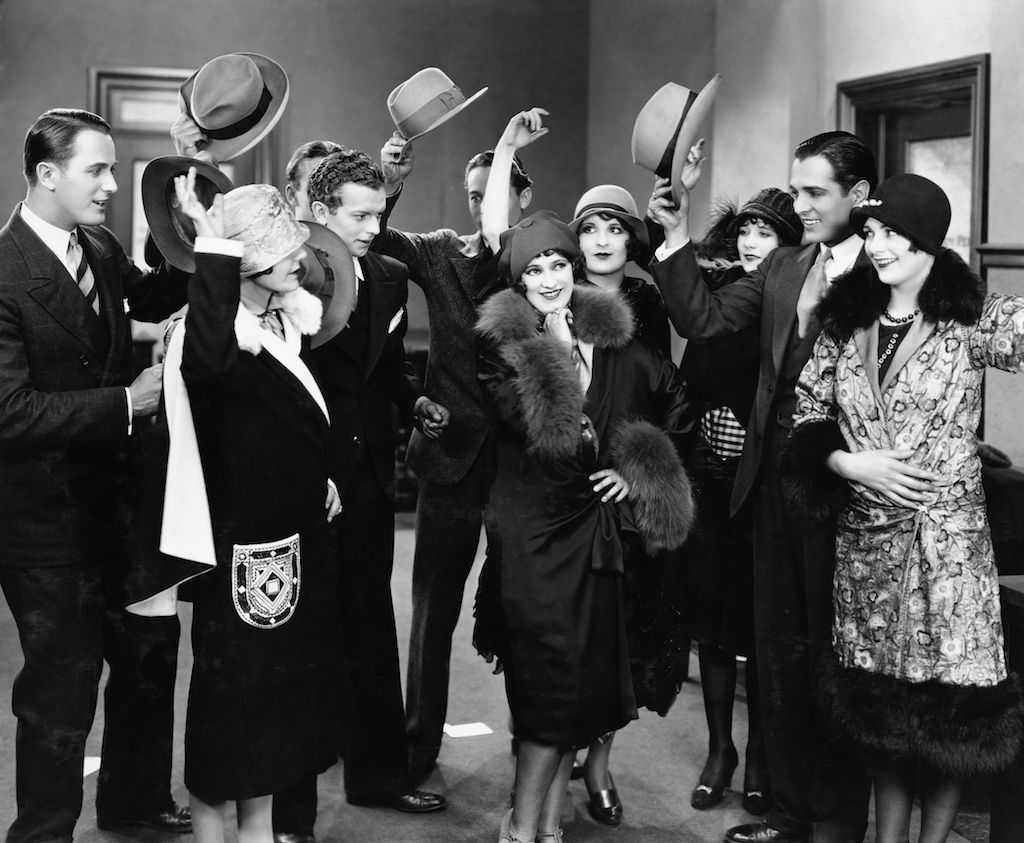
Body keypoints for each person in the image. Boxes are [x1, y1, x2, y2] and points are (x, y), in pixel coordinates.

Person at [647, 131, 876, 843]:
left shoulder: (893, 266)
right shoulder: (783, 266)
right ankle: (788, 814)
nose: (798, 205)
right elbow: (702, 318)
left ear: (859, 197)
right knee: (777, 656)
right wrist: (677, 231)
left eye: (815, 193)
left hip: (850, 497)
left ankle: (836, 825)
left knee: (836, 663)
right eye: (796, 189)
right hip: (770, 491)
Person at [781, 173, 1024, 843]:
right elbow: (807, 411)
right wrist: (844, 461)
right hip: (867, 551)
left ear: (929, 241)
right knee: (880, 718)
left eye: (892, 233)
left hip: (949, 558)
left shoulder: (973, 317)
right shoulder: (845, 317)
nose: (878, 246)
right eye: (872, 232)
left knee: (952, 724)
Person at [477, 109, 695, 843]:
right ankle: (523, 823)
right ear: (516, 277)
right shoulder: (506, 350)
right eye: (534, 268)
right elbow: (554, 436)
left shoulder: (626, 343)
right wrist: (562, 348)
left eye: (559, 265)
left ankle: (540, 826)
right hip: (532, 539)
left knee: (578, 692)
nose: (548, 278)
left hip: (597, 541)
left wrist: (637, 476)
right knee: (543, 688)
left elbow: (669, 410)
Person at [0, 108, 191, 841]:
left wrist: (183, 198)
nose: (112, 184)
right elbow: (10, 413)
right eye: (98, 170)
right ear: (48, 174)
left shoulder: (103, 248)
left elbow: (159, 297)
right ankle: (43, 832)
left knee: (146, 663)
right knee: (61, 692)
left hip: (120, 507)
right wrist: (125, 401)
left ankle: (134, 803)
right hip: (45, 526)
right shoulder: (5, 272)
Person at [148, 174, 341, 842]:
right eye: (283, 246)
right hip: (245, 554)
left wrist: (317, 477)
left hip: (292, 543)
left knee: (273, 713)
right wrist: (214, 246)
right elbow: (208, 362)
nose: (301, 255)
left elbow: (282, 432)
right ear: (246, 261)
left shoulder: (284, 323)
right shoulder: (213, 337)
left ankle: (257, 835)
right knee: (230, 711)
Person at [276, 148, 448, 824]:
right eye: (360, 214)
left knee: (372, 625)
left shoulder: (393, 274)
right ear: (319, 213)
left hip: (371, 475)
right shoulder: (287, 272)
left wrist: (415, 403)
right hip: (307, 477)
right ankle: (291, 812)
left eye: (380, 213)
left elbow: (384, 367)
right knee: (301, 634)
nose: (375, 226)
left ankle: (379, 775)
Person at [374, 130, 533, 785]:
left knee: (528, 616)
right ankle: (415, 755)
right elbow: (378, 241)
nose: (477, 208)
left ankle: (539, 750)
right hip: (446, 464)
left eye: (489, 195)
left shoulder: (540, 263)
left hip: (520, 471)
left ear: (522, 196)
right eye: (471, 196)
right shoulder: (438, 252)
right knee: (431, 618)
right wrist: (389, 180)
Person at [681, 188, 802, 817]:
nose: (754, 242)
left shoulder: (794, 304)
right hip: (708, 476)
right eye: (748, 229)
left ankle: (758, 757)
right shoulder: (722, 293)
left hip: (763, 486)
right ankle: (719, 751)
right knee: (714, 626)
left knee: (758, 626)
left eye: (769, 233)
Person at [565, 183, 679, 826]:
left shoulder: (647, 302)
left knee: (623, 635)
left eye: (613, 229)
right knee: (561, 633)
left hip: (622, 496)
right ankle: (555, 753)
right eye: (590, 230)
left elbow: (664, 396)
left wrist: (635, 474)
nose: (602, 241)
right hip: (559, 491)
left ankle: (600, 761)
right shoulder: (552, 293)